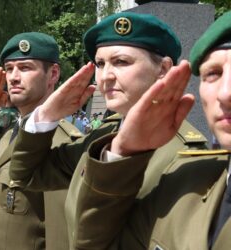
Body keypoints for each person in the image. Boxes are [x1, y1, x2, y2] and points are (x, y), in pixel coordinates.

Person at [8, 12, 207, 249]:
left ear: (163, 69)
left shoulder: (184, 154)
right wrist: (47, 116)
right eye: (101, 64)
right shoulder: (101, 138)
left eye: (121, 62)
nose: (106, 76)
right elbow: (24, 174)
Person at [67, 10, 231, 249]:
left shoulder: (187, 165)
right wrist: (120, 152)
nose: (225, 93)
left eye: (121, 62)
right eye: (213, 73)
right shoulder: (192, 185)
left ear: (164, 69)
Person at [0, 32, 81, 250]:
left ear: (53, 73)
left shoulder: (61, 143)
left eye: (25, 68)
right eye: (9, 69)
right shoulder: (8, 136)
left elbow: (61, 237)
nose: (13, 77)